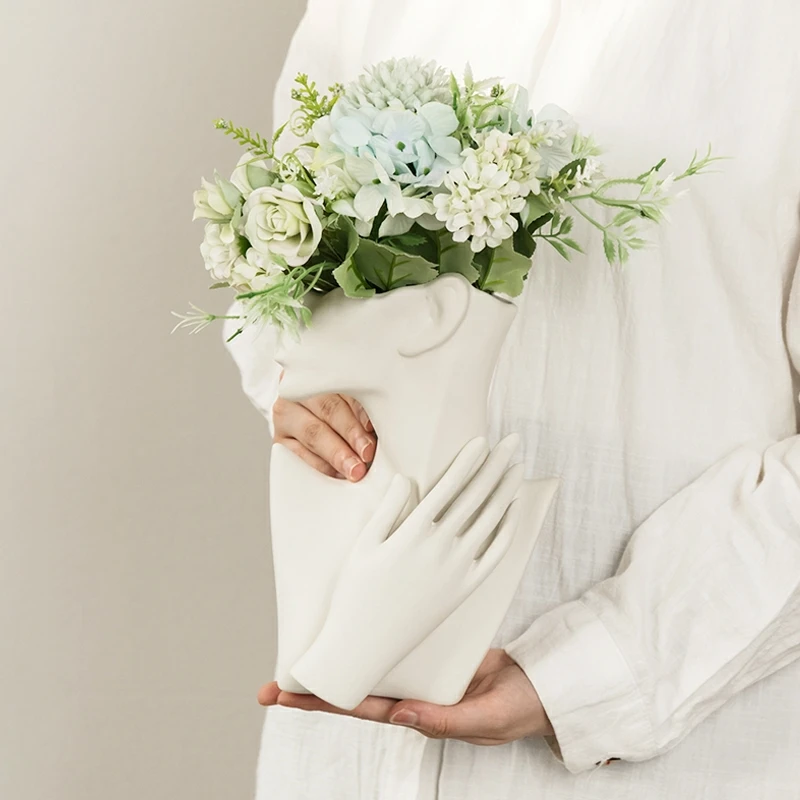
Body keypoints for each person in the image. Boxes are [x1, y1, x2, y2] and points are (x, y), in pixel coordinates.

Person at [225, 1, 800, 797]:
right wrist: (300, 389)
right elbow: (276, 268)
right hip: (345, 741)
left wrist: (591, 672)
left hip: (665, 755)